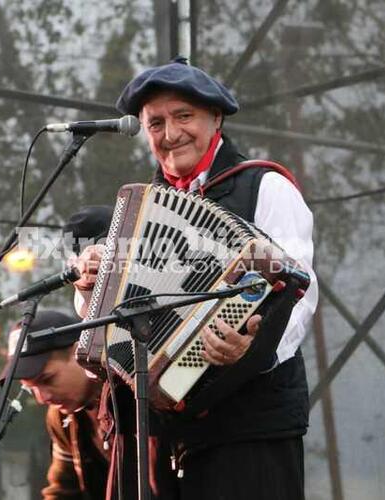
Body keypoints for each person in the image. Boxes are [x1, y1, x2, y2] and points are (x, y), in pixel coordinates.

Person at [71, 57, 318, 500]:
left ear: (215, 117)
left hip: (246, 430)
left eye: (184, 116)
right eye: (156, 123)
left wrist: (251, 348)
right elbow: (108, 325)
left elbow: (299, 298)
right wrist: (90, 289)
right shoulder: (136, 210)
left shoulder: (266, 187)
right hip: (153, 432)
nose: (170, 134)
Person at [0, 310, 108, 500]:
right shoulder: (61, 417)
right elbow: (63, 491)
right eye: (31, 388)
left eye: (47, 379)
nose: (42, 398)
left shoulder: (140, 395)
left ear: (79, 352)